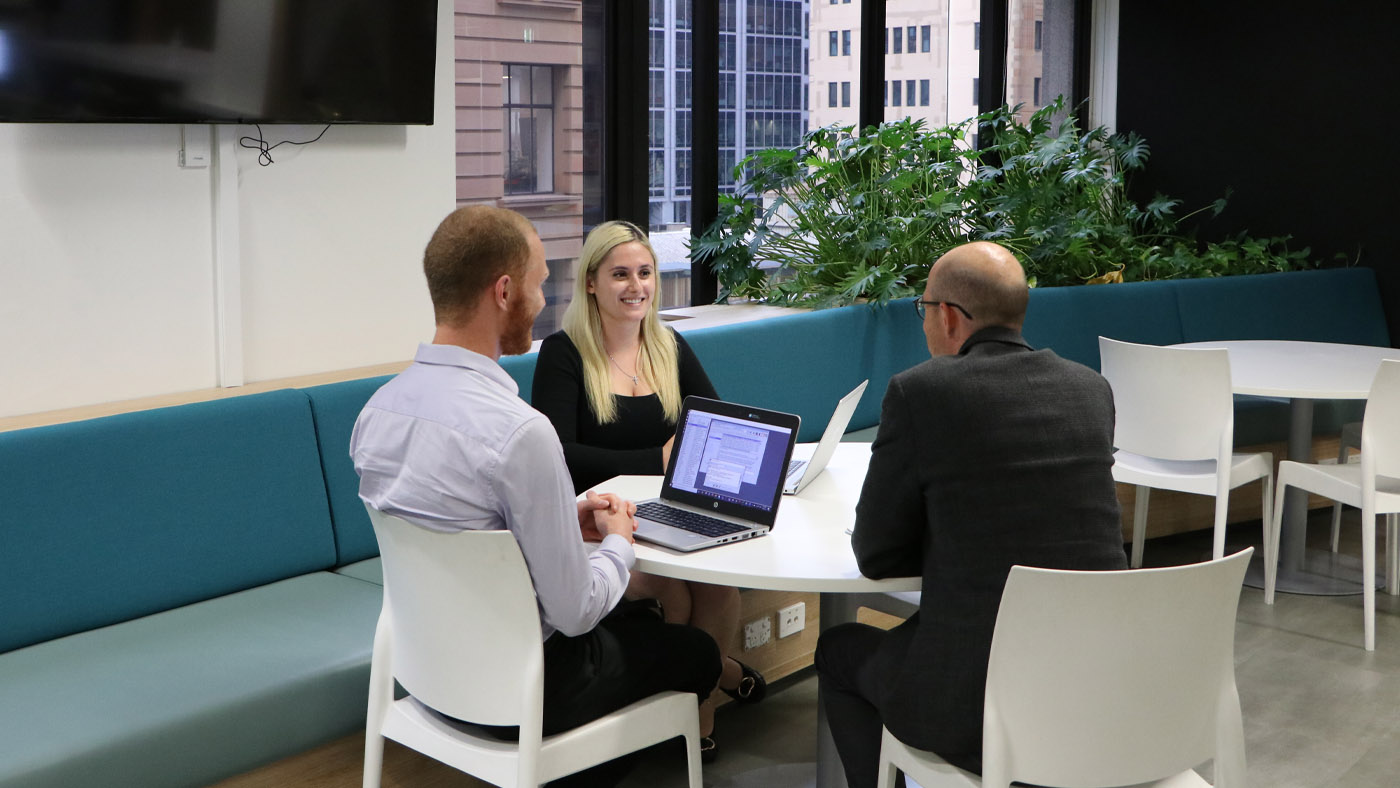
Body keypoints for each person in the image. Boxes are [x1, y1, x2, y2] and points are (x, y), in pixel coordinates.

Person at [350, 206, 721, 786]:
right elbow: (575, 614)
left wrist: (563, 517)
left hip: (425, 677)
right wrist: (619, 544)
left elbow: (465, 534)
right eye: (539, 281)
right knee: (696, 653)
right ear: (504, 292)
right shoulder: (519, 433)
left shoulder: (379, 412)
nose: (546, 298)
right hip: (526, 688)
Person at [814, 241, 1128, 787]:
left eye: (924, 309)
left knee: (839, 651)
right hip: (1093, 688)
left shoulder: (921, 392)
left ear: (950, 318)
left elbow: (877, 554)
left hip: (974, 703)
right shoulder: (1091, 389)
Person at [530, 221, 765, 758]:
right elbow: (558, 453)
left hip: (668, 508)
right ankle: (705, 683)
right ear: (591, 283)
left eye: (644, 273)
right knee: (674, 594)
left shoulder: (668, 344)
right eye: (619, 275)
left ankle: (696, 718)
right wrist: (654, 459)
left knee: (718, 587)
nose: (635, 286)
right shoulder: (564, 354)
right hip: (601, 520)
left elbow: (715, 419)